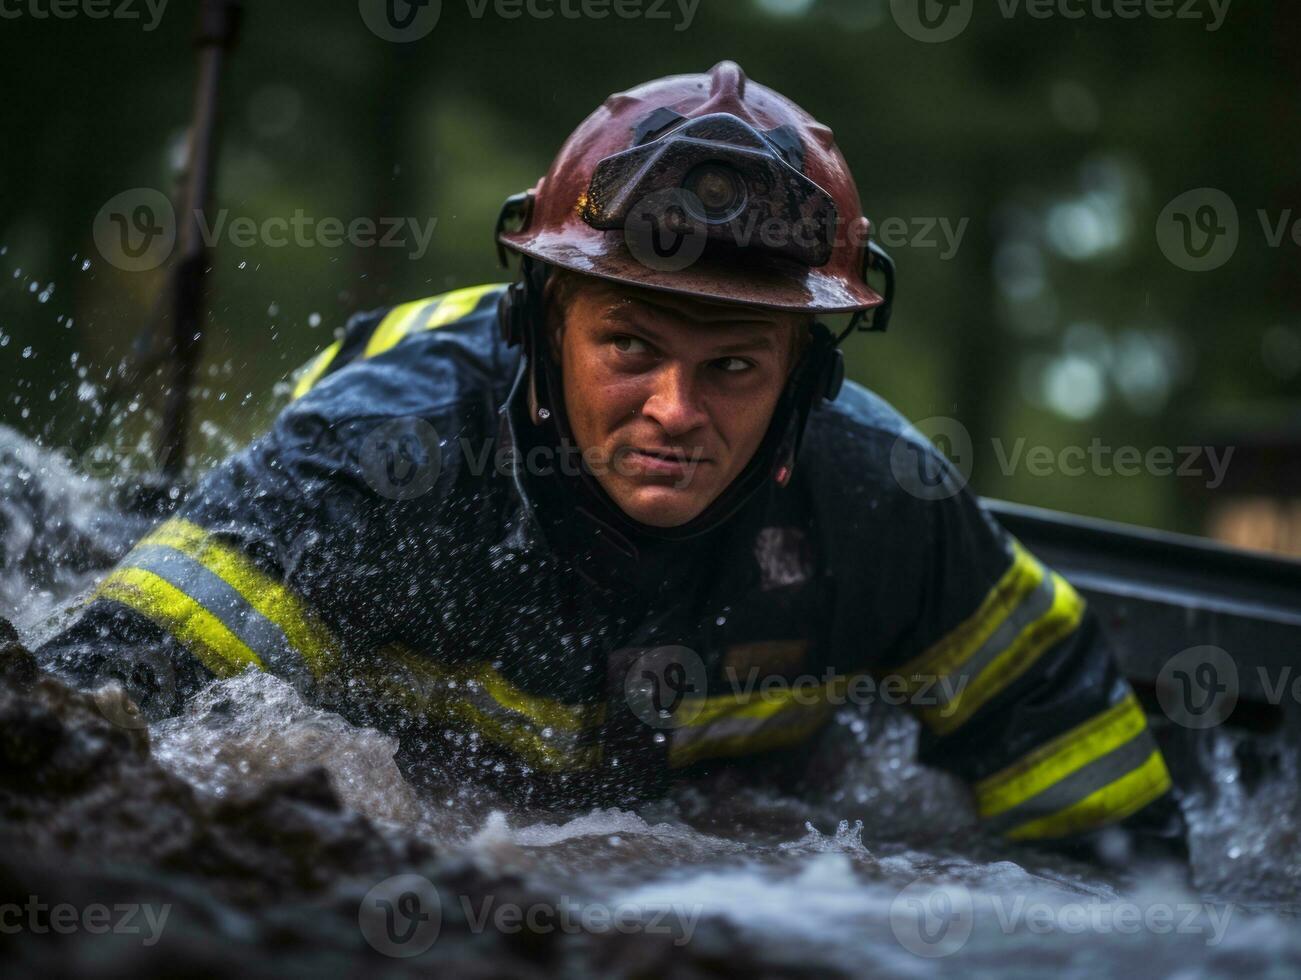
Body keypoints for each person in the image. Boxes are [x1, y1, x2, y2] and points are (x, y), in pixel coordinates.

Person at [37, 61, 1184, 857]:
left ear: (806, 378)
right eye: (629, 345)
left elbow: (1087, 785)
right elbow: (74, 728)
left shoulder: (884, 502)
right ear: (539, 326)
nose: (676, 409)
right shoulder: (375, 464)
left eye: (734, 366)